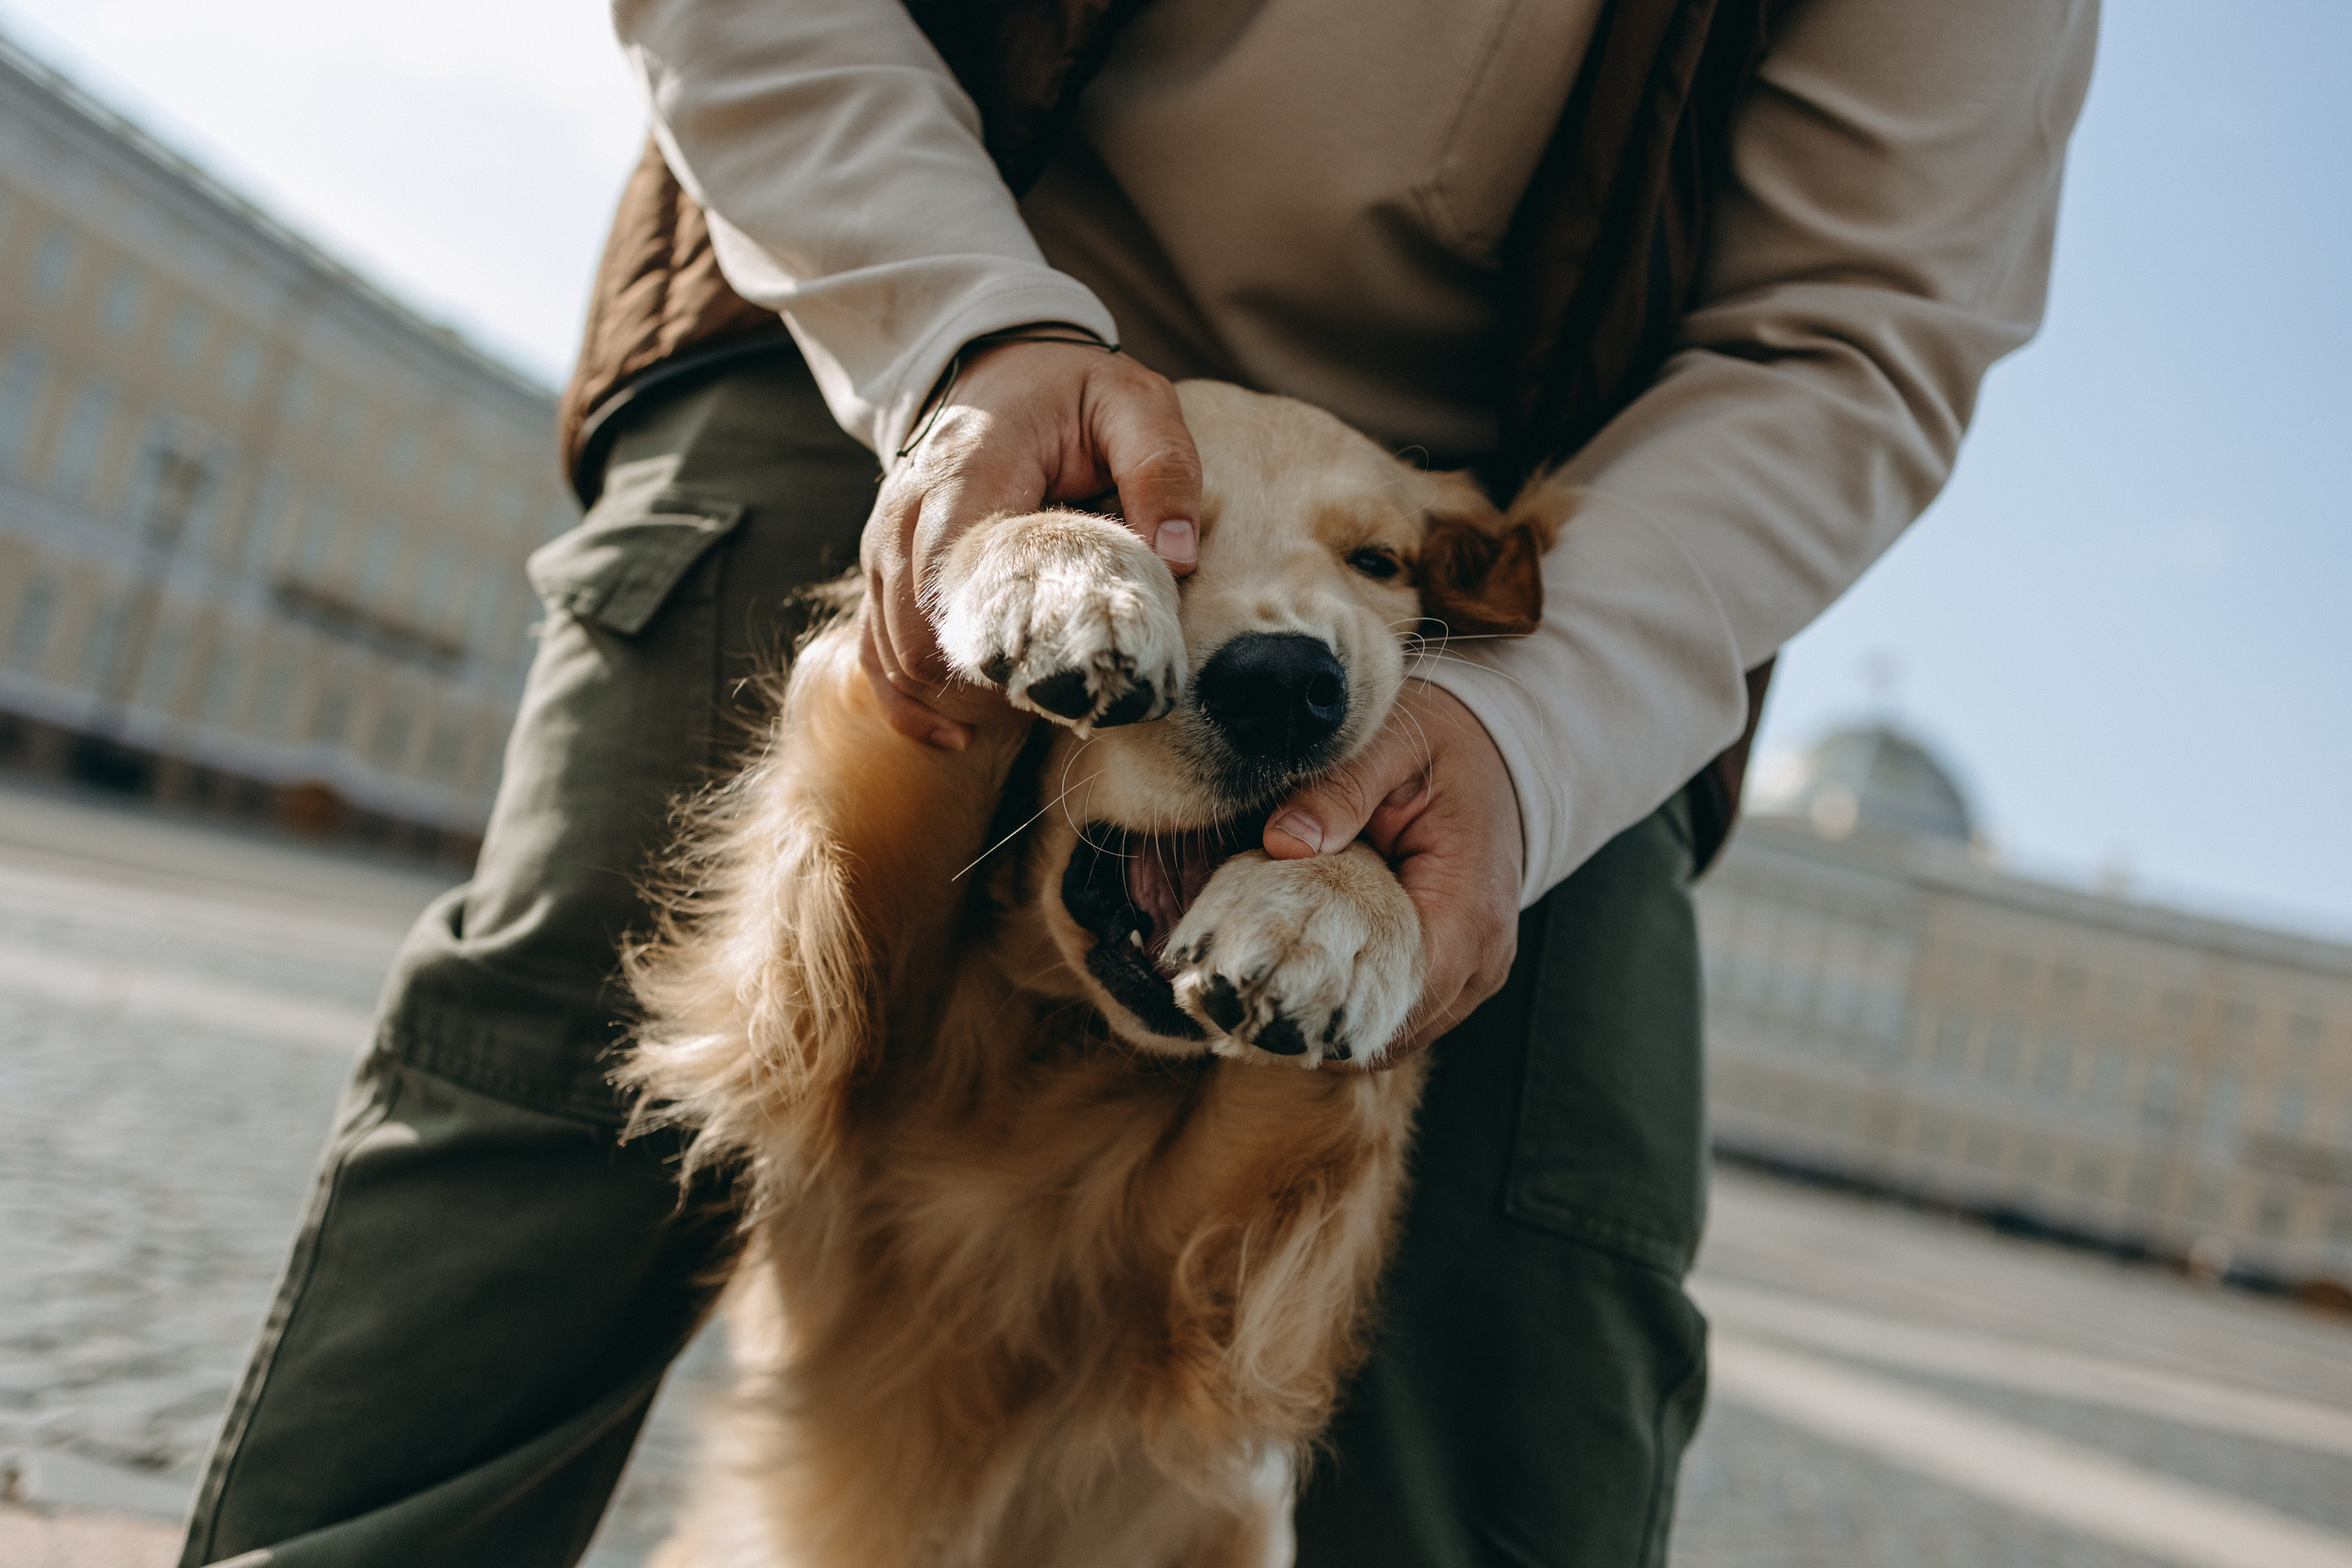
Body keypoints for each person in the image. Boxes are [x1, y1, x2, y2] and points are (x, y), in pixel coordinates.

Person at [179, 1, 2098, 1563]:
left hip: (1509, 523)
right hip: (894, 270)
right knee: (570, 999)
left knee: (1543, 1260)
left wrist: (1533, 726)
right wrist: (966, 337)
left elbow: (1843, 334)